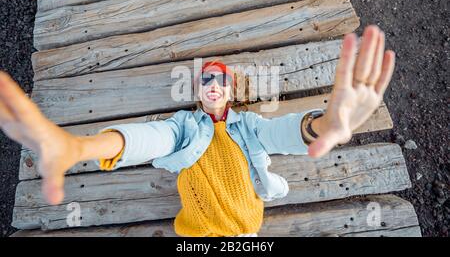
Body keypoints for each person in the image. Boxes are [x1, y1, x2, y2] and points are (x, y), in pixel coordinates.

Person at [0, 25, 395, 236]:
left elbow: (286, 133)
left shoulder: (249, 127)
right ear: (198, 91)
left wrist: (326, 124)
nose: (212, 84)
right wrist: (81, 145)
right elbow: (150, 139)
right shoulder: (185, 125)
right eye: (206, 79)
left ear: (230, 91)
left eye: (220, 79)